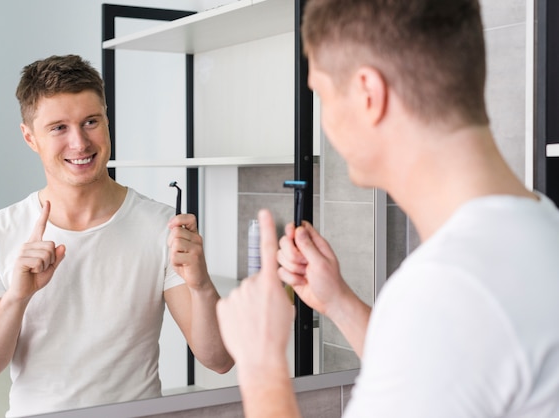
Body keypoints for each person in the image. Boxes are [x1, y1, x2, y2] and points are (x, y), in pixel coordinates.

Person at [216, 0, 559, 416]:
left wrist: (260, 365)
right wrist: (339, 302)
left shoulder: (446, 291)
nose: (324, 119)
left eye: (321, 93)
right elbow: (438, 373)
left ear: (368, 95)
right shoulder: (538, 226)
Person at [0, 54, 233, 417]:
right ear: (30, 137)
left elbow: (219, 359)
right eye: (58, 128)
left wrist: (202, 285)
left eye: (90, 122)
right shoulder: (1, 231)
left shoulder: (161, 225)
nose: (80, 143)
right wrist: (18, 297)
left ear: (107, 122)